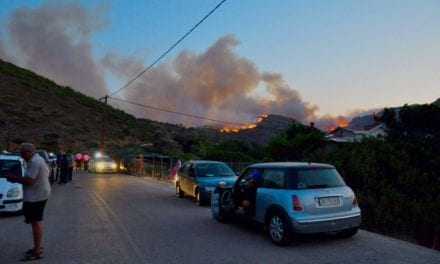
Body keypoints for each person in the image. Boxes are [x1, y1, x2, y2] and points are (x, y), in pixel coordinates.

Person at [6, 143, 51, 261]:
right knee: (36, 221)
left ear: (29, 152)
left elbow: (30, 181)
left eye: (22, 153)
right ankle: (38, 247)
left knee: (36, 222)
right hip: (40, 194)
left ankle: (37, 252)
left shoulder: (35, 162)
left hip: (36, 196)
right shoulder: (37, 159)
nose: (21, 156)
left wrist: (14, 178)